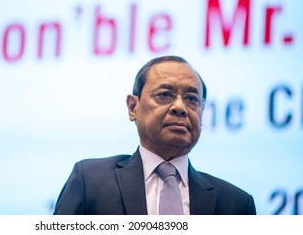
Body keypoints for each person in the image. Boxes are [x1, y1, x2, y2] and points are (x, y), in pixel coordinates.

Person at [53, 55, 256, 215]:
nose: (180, 107)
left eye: (191, 99)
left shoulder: (236, 204)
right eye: (165, 95)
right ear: (133, 107)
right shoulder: (90, 180)